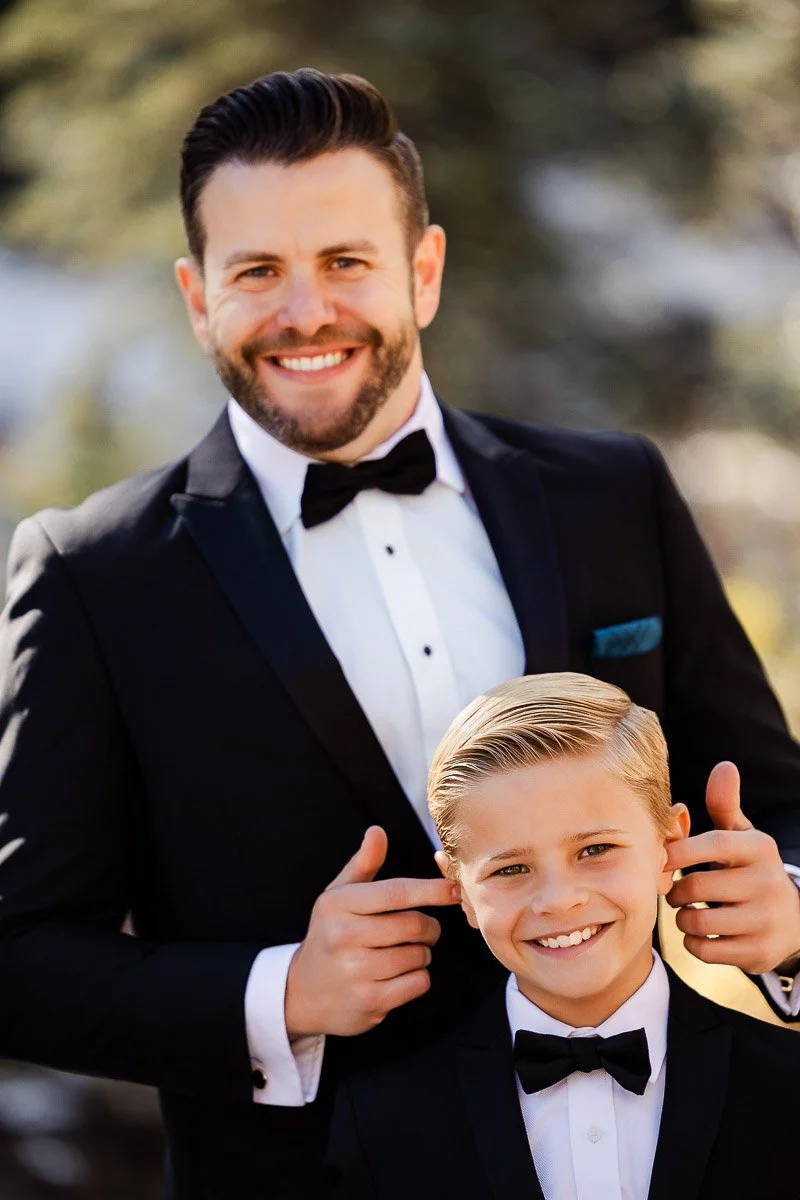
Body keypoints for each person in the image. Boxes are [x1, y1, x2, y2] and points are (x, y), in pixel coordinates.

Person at [0, 68, 798, 1199]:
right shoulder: (93, 573)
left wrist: (788, 908)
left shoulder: (610, 493)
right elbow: (22, 958)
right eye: (257, 272)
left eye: (344, 262)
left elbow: (770, 792)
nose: (304, 311)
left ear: (421, 271)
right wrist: (282, 993)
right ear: (196, 296)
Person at [327, 673, 799, 1199]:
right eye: (509, 870)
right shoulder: (381, 1120)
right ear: (459, 888)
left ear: (670, 843)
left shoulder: (786, 1084)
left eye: (595, 850)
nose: (557, 899)